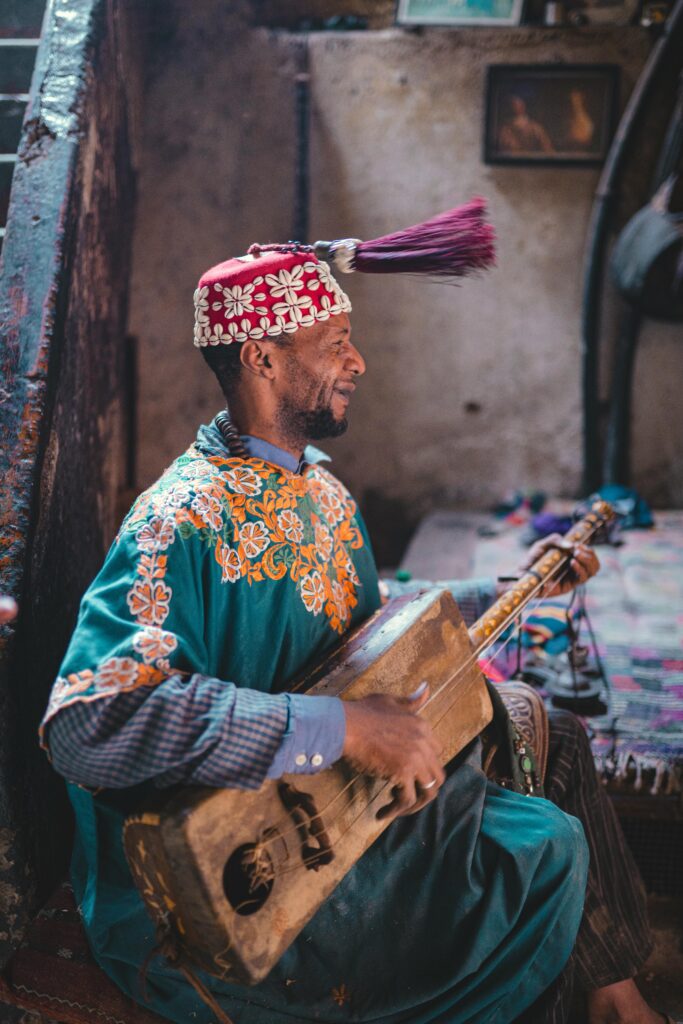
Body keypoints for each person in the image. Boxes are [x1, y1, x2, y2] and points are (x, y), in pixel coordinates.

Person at [40, 248, 670, 1024]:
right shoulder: (179, 522)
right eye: (335, 340)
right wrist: (339, 728)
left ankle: (613, 1003)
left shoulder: (322, 492)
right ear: (260, 357)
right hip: (240, 872)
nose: (358, 360)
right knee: (536, 849)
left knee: (550, 733)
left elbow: (359, 629)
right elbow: (88, 725)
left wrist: (500, 592)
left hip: (333, 795)